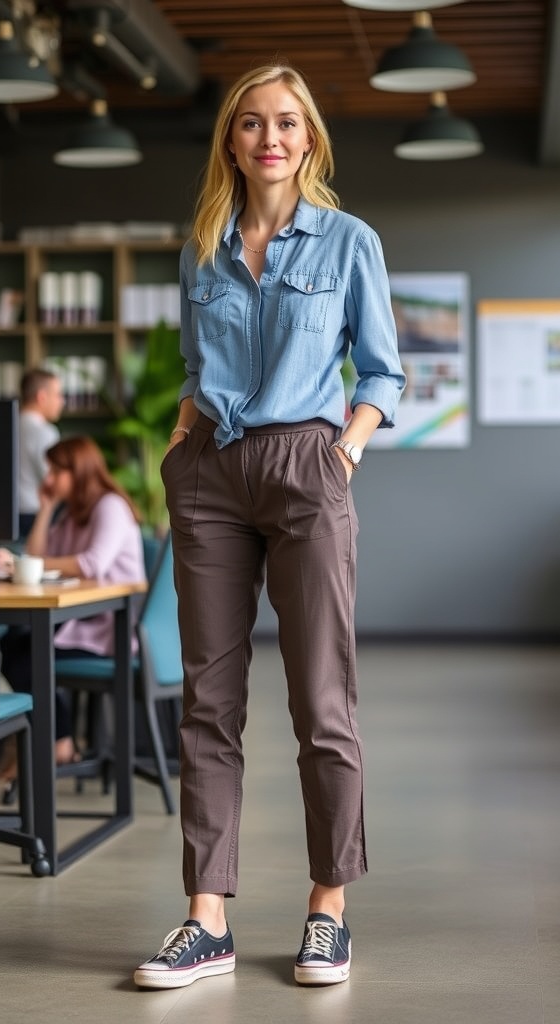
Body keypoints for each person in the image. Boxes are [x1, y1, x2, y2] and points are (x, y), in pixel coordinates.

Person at [133, 64, 406, 991]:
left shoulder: (348, 242)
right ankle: (206, 918)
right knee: (209, 704)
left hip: (305, 469)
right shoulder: (201, 247)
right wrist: (180, 446)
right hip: (209, 472)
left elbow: (382, 373)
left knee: (321, 703)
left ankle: (329, 906)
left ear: (311, 138)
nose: (269, 137)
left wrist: (346, 452)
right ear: (231, 142)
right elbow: (190, 366)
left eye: (287, 122)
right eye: (250, 123)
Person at [0, 435, 146, 778]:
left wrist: (38, 565)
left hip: (110, 631)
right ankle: (56, 739)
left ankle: (57, 740)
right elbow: (36, 556)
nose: (48, 478)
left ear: (78, 471)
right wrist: (47, 507)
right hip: (78, 623)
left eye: (55, 471)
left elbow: (92, 564)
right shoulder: (71, 513)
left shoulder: (110, 506)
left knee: (26, 654)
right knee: (11, 647)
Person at [18, 367, 65, 538]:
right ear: (42, 397)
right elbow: (51, 480)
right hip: (35, 517)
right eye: (58, 395)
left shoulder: (3, 427)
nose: (62, 401)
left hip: (4, 516)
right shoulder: (45, 432)